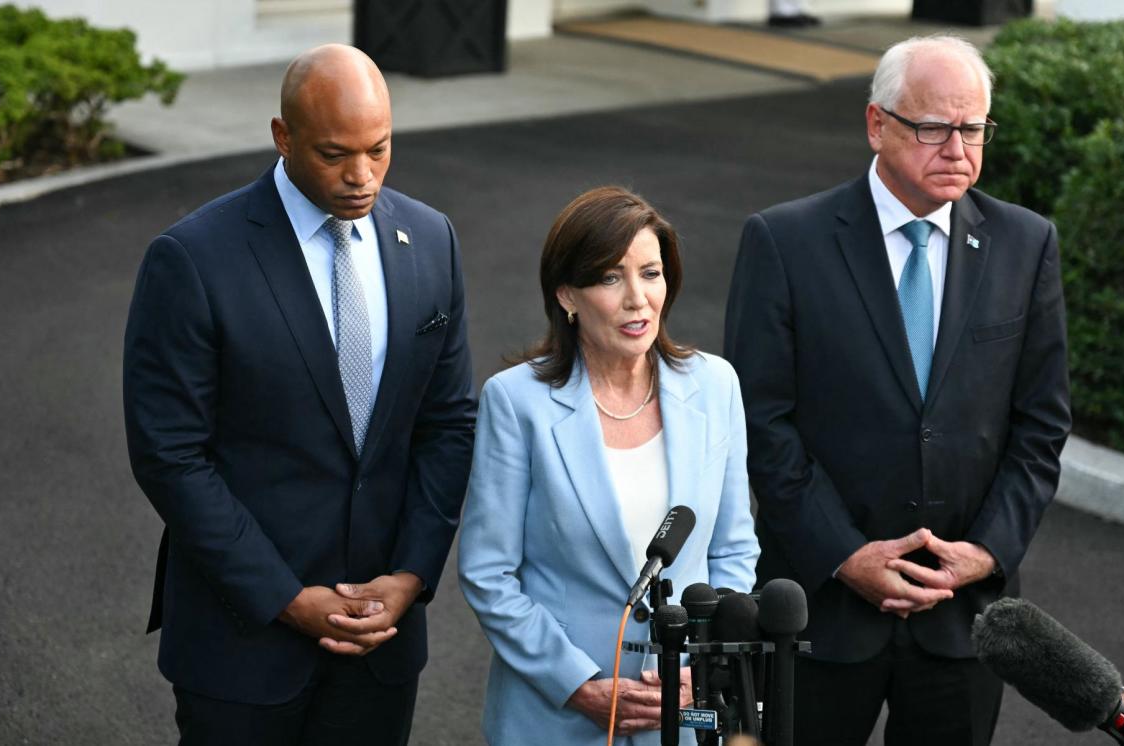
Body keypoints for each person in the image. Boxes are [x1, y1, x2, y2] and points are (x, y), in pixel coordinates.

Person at [123, 44, 475, 745]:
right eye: (334, 153)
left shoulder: (431, 240)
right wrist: (285, 599)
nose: (361, 176)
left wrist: (411, 573)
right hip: (240, 645)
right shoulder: (193, 259)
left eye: (380, 150)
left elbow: (449, 422)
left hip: (382, 646)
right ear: (282, 137)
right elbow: (170, 455)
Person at [724, 35, 1070, 745]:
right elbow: (762, 423)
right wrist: (845, 555)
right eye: (934, 127)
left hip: (963, 621)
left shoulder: (1025, 244)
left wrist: (987, 552)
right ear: (877, 124)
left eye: (973, 128)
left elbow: (1040, 425)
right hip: (819, 614)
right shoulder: (785, 241)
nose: (957, 148)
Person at [459, 187, 759, 744]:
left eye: (650, 273)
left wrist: (700, 663)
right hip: (555, 715)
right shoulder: (516, 401)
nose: (637, 299)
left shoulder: (716, 386)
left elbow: (733, 549)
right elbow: (489, 574)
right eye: (609, 278)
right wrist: (578, 685)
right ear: (567, 295)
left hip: (680, 710)